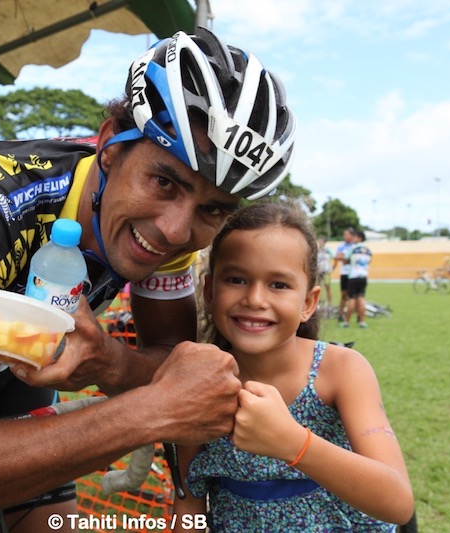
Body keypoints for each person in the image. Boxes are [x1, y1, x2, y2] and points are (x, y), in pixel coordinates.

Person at [0, 27, 296, 532]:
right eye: (164, 181)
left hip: (29, 350)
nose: (174, 230)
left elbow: (170, 359)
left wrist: (111, 360)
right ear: (108, 147)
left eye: (212, 209)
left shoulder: (170, 235)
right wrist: (151, 410)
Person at [171, 202, 413, 532]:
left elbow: (397, 502)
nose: (255, 299)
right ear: (210, 292)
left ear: (308, 303)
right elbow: (189, 504)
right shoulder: (196, 382)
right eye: (237, 279)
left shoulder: (341, 370)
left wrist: (293, 443)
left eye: (279, 285)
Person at [342, 229, 373, 328]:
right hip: (363, 277)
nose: (353, 238)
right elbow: (369, 262)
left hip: (353, 277)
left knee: (351, 299)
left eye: (355, 237)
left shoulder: (353, 248)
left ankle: (346, 322)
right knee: (361, 298)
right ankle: (362, 322)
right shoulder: (368, 250)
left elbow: (346, 260)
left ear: (359, 238)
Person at [333, 227, 357, 320]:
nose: (344, 236)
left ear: (352, 235)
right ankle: (341, 314)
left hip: (353, 274)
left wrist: (343, 258)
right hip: (344, 273)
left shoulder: (355, 246)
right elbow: (337, 257)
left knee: (354, 296)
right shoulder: (341, 246)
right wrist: (345, 258)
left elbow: (347, 259)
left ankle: (356, 315)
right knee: (343, 295)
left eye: (346, 234)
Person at [316, 236, 335, 307]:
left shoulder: (328, 250)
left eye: (321, 241)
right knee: (318, 287)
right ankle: (317, 303)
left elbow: (334, 258)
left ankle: (330, 303)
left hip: (326, 271)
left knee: (328, 287)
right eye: (319, 241)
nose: (320, 243)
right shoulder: (316, 251)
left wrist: (332, 268)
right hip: (318, 271)